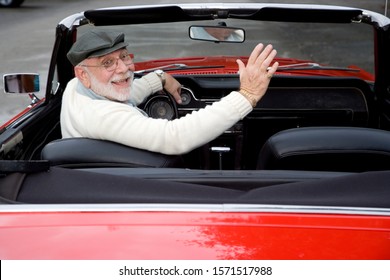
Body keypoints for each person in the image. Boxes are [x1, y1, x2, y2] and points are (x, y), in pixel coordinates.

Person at [61, 30, 278, 155]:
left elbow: (122, 92)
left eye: (125, 56)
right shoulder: (101, 115)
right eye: (108, 63)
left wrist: (160, 78)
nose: (124, 68)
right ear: (82, 74)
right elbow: (174, 137)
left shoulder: (76, 89)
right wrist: (247, 95)